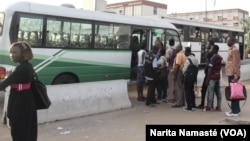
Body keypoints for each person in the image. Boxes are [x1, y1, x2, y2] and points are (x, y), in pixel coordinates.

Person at [0, 41, 37, 141]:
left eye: (15, 52)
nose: (11, 55)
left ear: (24, 54)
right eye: (11, 52)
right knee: (27, 132)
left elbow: (2, 85)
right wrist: (10, 77)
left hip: (20, 104)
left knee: (19, 133)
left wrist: (8, 77)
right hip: (26, 102)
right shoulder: (28, 66)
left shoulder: (21, 69)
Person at [203, 45, 223, 112]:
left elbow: (210, 69)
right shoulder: (220, 57)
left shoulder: (212, 58)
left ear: (214, 50)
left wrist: (207, 79)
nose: (211, 50)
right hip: (218, 77)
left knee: (210, 92)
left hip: (212, 77)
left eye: (212, 49)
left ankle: (209, 107)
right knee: (218, 92)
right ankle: (218, 107)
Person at [225, 36, 241, 117]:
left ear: (232, 41)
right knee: (233, 93)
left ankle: (235, 111)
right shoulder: (231, 49)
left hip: (233, 74)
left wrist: (236, 75)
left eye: (228, 40)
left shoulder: (234, 50)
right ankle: (235, 110)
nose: (227, 42)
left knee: (234, 93)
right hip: (230, 73)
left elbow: (236, 63)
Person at [197, 40, 215, 109]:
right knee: (212, 90)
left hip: (208, 75)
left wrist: (207, 77)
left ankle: (203, 104)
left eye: (208, 44)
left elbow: (208, 66)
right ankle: (211, 104)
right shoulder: (214, 54)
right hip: (211, 75)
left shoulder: (210, 55)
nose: (207, 45)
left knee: (204, 89)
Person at [182, 47, 198, 111]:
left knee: (187, 91)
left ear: (187, 52)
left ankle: (189, 107)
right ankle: (193, 104)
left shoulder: (187, 60)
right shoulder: (195, 59)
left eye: (185, 51)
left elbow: (184, 70)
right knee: (192, 91)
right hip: (194, 77)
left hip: (188, 78)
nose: (184, 53)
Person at [165, 38, 176, 103]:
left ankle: (170, 98)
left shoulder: (168, 50)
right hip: (175, 67)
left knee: (170, 82)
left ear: (169, 43)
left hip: (170, 67)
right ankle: (174, 96)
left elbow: (167, 59)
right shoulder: (175, 50)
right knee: (174, 82)